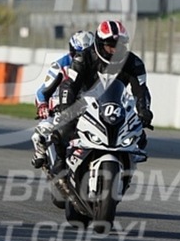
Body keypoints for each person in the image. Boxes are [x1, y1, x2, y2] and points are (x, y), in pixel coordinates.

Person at [54, 19, 153, 171]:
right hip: (83, 104)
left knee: (141, 138)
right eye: (110, 46)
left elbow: (141, 90)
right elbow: (69, 85)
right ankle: (60, 162)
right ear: (99, 44)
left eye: (119, 46)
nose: (114, 50)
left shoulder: (134, 63)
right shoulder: (83, 58)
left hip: (116, 107)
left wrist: (144, 111)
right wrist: (66, 108)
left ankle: (126, 169)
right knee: (62, 130)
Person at [31, 30, 95, 169]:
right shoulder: (61, 65)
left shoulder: (98, 66)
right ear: (72, 50)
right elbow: (42, 91)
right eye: (78, 53)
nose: (82, 57)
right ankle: (43, 154)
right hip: (59, 109)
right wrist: (43, 106)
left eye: (87, 53)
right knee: (41, 135)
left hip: (88, 110)